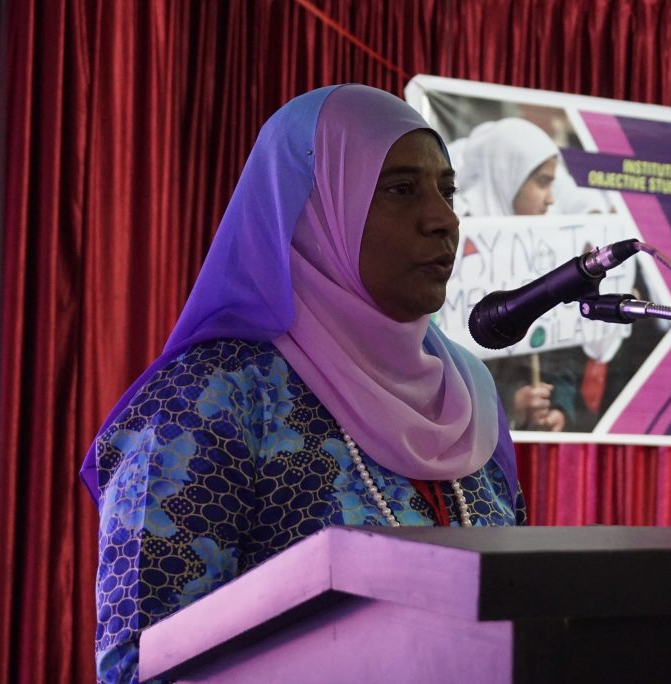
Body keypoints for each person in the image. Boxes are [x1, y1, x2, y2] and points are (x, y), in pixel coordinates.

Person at [81, 85, 526, 683]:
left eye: (447, 192)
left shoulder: (470, 398)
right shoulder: (211, 398)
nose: (443, 220)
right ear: (315, 209)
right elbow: (142, 663)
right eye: (400, 190)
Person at [453, 117, 576, 431]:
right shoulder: (455, 252)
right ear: (507, 175)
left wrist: (558, 404)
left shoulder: (544, 249)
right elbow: (448, 358)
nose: (551, 198)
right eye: (542, 182)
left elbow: (561, 342)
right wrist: (509, 402)